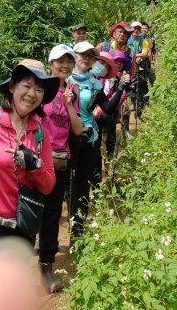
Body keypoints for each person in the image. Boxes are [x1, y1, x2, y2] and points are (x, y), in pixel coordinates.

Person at [0, 60, 57, 250]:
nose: (32, 94)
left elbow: (48, 185)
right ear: (12, 87)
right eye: (26, 86)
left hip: (22, 229)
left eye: (39, 90)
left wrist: (34, 164)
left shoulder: (40, 134)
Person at [66, 42, 129, 236]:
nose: (86, 58)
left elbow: (108, 109)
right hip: (66, 138)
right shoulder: (64, 80)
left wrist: (120, 88)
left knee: (82, 183)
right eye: (82, 54)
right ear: (74, 56)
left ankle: (77, 228)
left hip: (90, 137)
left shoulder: (94, 83)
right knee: (66, 184)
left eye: (90, 56)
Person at [38, 44, 83, 293]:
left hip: (60, 161)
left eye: (68, 61)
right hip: (38, 160)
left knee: (54, 212)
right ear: (50, 63)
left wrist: (68, 104)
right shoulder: (41, 88)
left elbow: (76, 129)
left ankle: (46, 265)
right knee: (29, 211)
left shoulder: (70, 92)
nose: (64, 65)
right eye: (59, 61)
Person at [92, 52, 130, 187]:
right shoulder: (96, 79)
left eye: (121, 61)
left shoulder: (121, 78)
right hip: (94, 116)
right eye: (116, 61)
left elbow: (120, 98)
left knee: (109, 139)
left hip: (109, 113)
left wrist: (121, 88)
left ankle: (109, 164)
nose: (118, 64)